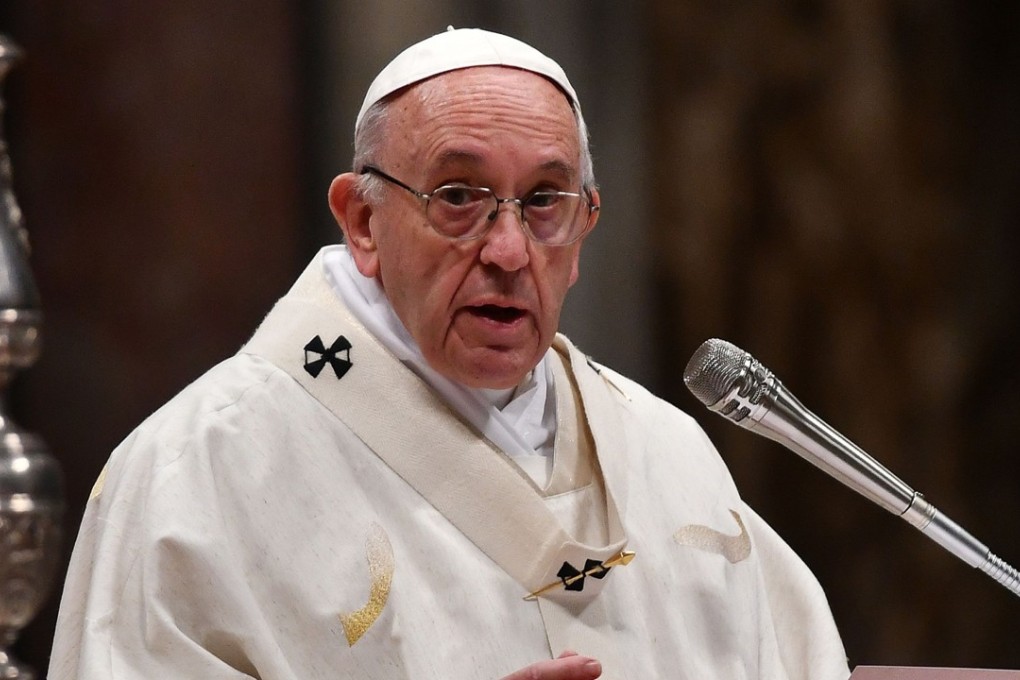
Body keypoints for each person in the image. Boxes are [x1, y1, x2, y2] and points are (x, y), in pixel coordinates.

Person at [49, 28, 851, 679]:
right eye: (459, 197)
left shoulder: (670, 459)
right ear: (362, 222)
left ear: (584, 231)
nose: (508, 249)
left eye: (544, 202)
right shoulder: (200, 469)